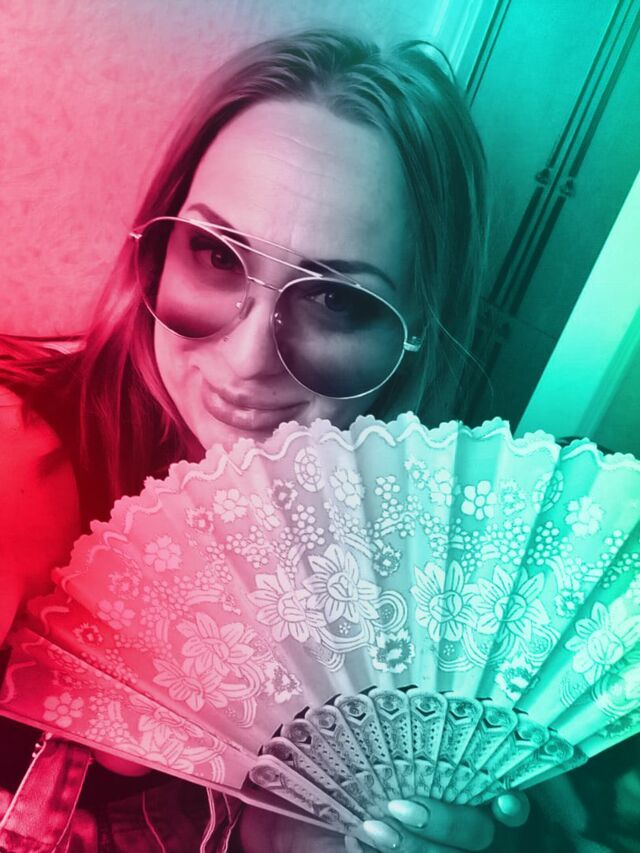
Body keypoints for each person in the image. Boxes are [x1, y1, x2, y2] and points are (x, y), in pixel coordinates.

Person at [0, 27, 631, 853]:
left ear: (416, 338)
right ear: (156, 247)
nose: (245, 359)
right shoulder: (23, 462)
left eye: (338, 301)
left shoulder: (419, 610)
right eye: (213, 253)